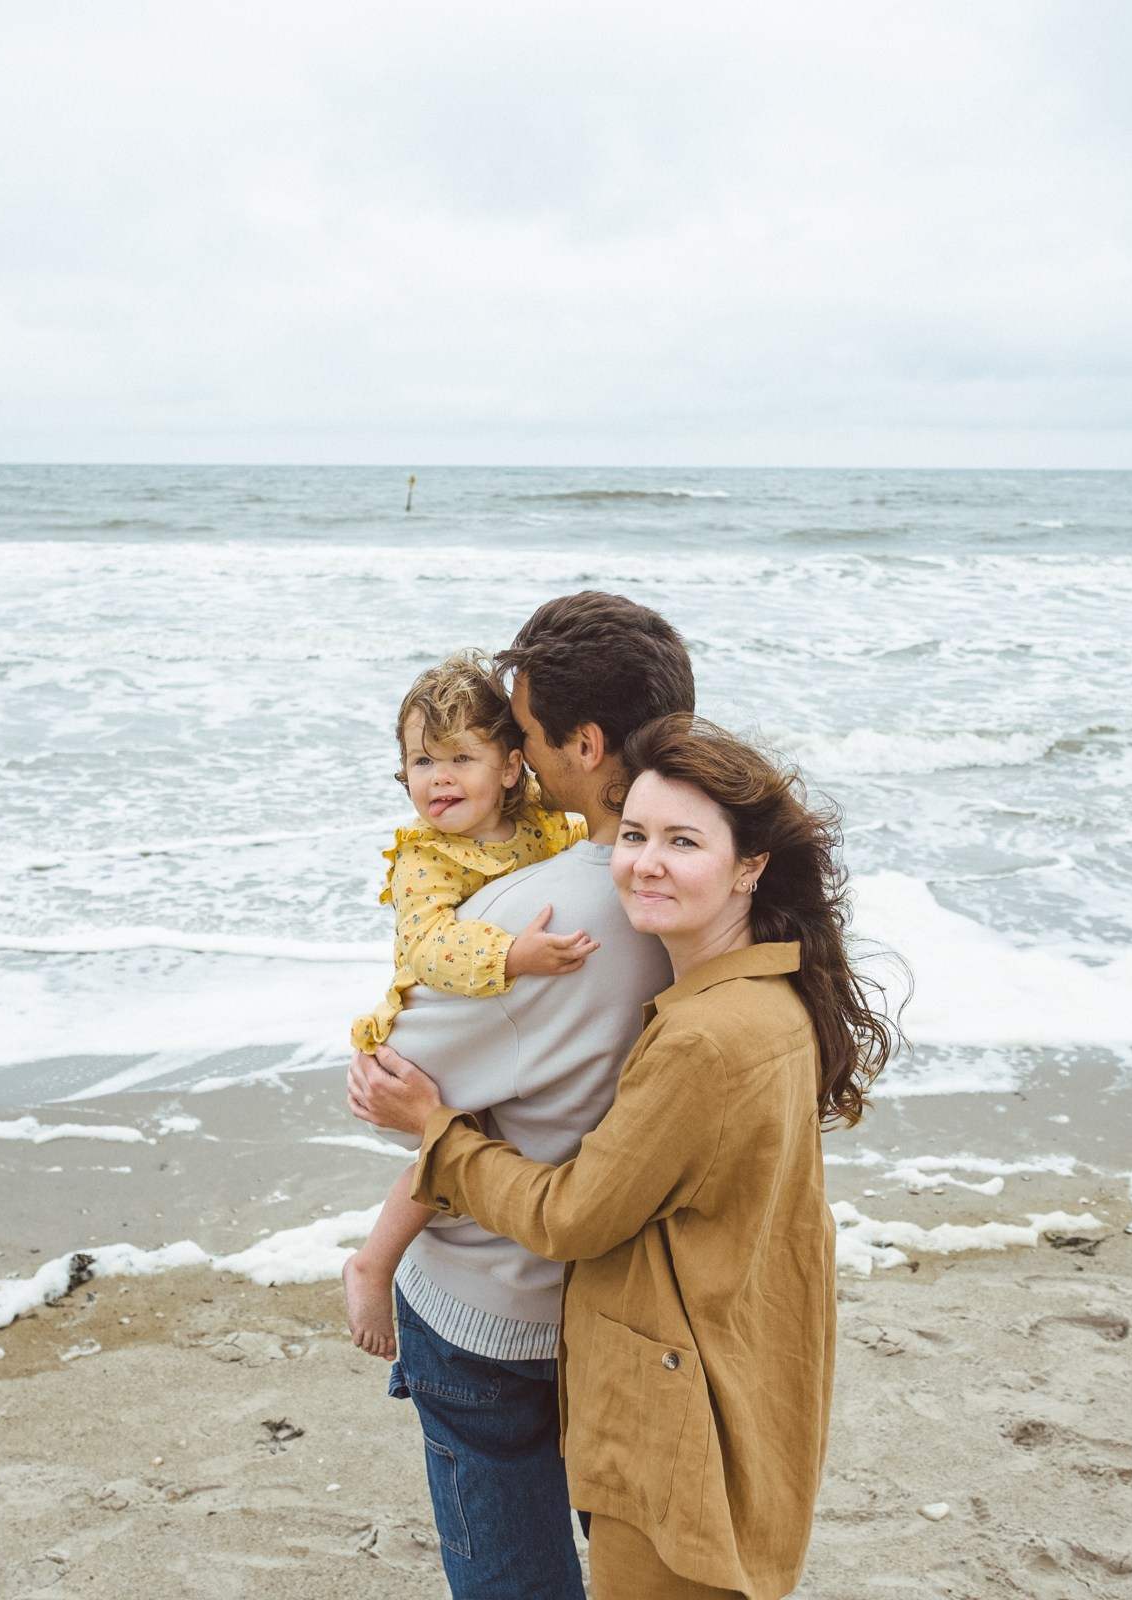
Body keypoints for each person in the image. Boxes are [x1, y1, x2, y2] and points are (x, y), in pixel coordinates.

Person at [351, 715, 897, 1599]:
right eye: (634, 835)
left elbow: (572, 1216)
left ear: (750, 865)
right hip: (738, 1363)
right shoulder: (769, 992)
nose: (643, 862)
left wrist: (436, 1127)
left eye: (682, 842)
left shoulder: (704, 1040)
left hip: (676, 1390)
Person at [360, 593, 694, 1599]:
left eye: (527, 736)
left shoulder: (541, 912)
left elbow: (394, 1082)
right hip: (630, 1301)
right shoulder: (707, 884)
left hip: (491, 1310)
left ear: (582, 744)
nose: (521, 755)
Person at [342, 650, 599, 1360]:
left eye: (461, 757)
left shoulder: (545, 824)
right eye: (422, 762)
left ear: (512, 767)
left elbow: (590, 847)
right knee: (454, 1138)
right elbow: (429, 945)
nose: (440, 778)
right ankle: (374, 1260)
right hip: (439, 1025)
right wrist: (515, 956)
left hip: (499, 1028)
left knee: (492, 1141)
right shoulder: (425, 857)